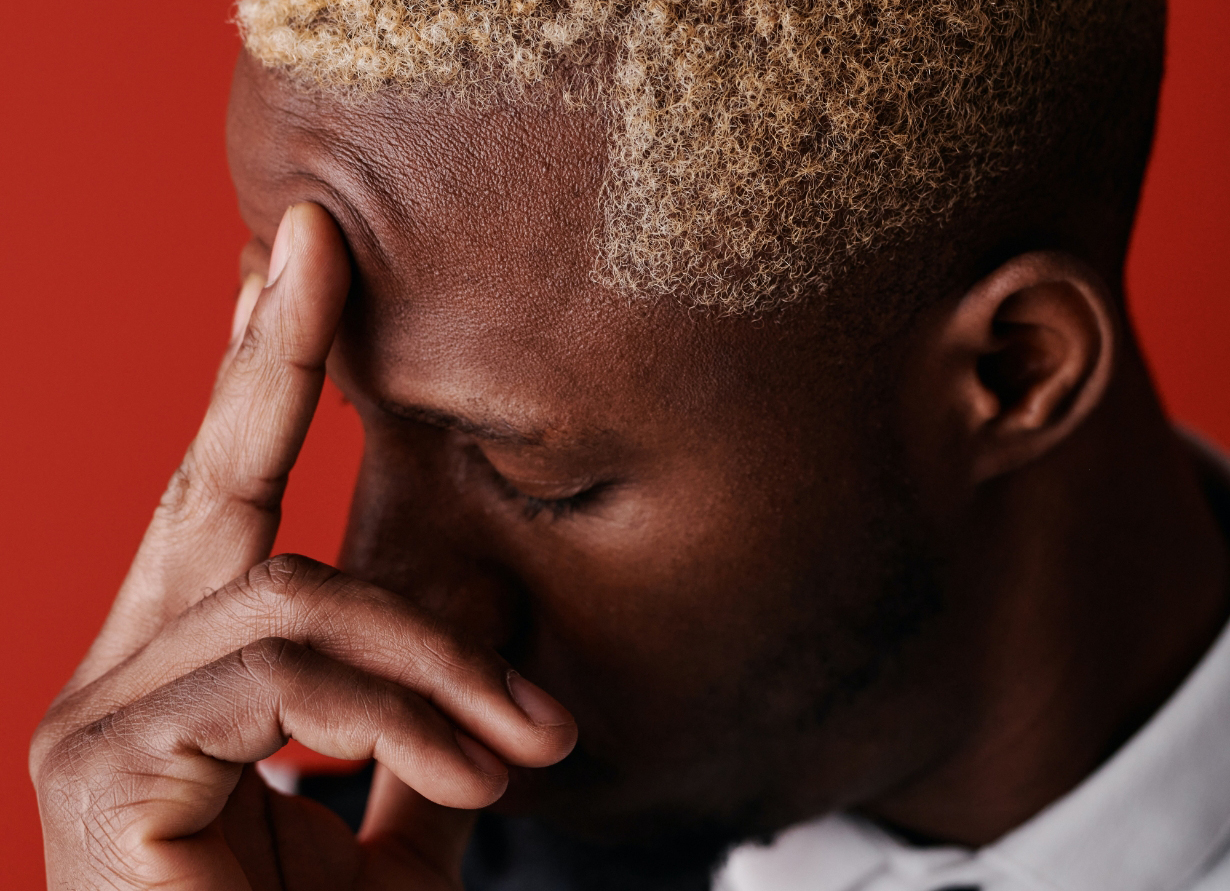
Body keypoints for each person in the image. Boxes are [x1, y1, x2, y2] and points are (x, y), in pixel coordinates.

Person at [29, 1, 1230, 889]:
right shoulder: (288, 848)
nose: (378, 584)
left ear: (1015, 371)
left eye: (536, 481)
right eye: (341, 409)